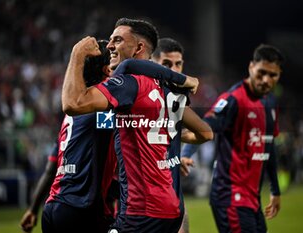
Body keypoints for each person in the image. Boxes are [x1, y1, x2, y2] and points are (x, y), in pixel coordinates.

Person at [62, 17, 213, 233]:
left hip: (141, 211)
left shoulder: (127, 84)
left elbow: (72, 103)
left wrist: (77, 54)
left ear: (139, 47)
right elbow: (206, 133)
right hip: (170, 207)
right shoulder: (166, 91)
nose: (110, 46)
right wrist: (172, 148)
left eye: (117, 40)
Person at [181, 44, 284, 233]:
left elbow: (268, 149)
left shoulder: (270, 103)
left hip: (252, 199)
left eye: (273, 75)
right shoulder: (233, 99)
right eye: (261, 73)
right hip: (229, 197)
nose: (266, 80)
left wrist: (275, 190)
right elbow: (206, 125)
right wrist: (187, 153)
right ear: (251, 67)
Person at [41, 40, 116, 233]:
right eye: (116, 61)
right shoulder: (103, 110)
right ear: (108, 70)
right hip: (81, 208)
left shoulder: (77, 111)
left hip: (56, 205)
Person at [151, 37, 190, 233]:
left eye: (178, 64)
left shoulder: (178, 97)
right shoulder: (140, 94)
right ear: (152, 64)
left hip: (172, 196)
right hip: (144, 204)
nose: (173, 70)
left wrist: (174, 158)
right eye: (166, 64)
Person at [20, 143, 58, 232]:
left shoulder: (62, 134)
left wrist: (33, 210)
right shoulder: (93, 132)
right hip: (82, 205)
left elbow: (49, 173)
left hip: (53, 208)